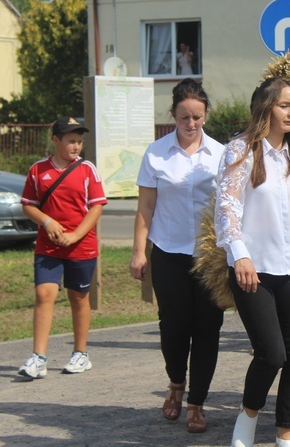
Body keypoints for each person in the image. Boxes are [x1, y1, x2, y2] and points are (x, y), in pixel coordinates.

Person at [215, 76, 290, 447]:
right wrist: (239, 255)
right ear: (266, 107)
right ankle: (249, 414)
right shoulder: (239, 150)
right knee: (272, 353)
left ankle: (285, 435)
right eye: (285, 105)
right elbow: (226, 208)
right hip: (252, 269)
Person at [129, 78, 225, 433]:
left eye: (197, 117)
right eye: (184, 117)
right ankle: (175, 384)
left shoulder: (221, 154)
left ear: (206, 115)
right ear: (173, 115)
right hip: (168, 252)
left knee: (208, 329)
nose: (191, 124)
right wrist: (139, 252)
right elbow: (146, 208)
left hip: (209, 256)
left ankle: (196, 402)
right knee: (173, 326)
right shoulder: (156, 153)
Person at [18, 117, 107, 380]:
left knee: (78, 298)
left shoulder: (88, 170)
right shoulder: (38, 170)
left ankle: (80, 354)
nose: (76, 146)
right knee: (44, 294)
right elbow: (28, 204)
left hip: (81, 246)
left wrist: (76, 234)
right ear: (55, 140)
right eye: (70, 141)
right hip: (48, 247)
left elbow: (97, 206)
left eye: (79, 142)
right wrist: (47, 221)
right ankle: (38, 357)